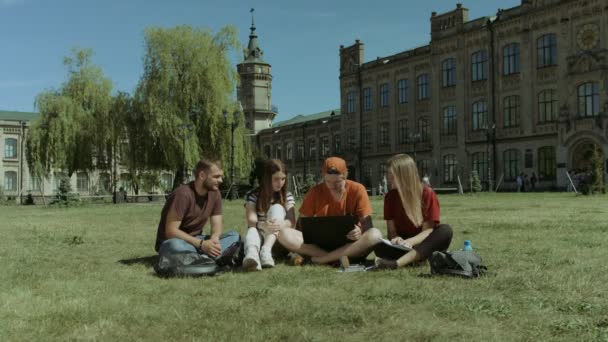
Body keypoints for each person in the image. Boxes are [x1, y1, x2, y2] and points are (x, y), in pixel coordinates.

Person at [277, 157, 382, 265]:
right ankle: (336, 259)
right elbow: (301, 225)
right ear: (324, 177)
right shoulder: (315, 192)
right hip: (321, 246)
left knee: (375, 234)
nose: (332, 186)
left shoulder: (358, 190)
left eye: (337, 182)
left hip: (350, 245)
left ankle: (321, 260)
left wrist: (359, 231)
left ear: (345, 177)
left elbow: (368, 226)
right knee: (284, 234)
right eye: (328, 181)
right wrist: (313, 233)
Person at [374, 154, 453, 269]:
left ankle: (397, 264)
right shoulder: (390, 197)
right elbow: (391, 231)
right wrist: (396, 238)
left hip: (423, 243)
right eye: (387, 174)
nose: (388, 178)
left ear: (404, 175)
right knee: (378, 246)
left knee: (445, 230)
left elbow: (428, 231)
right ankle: (417, 259)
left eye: (392, 175)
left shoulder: (426, 193)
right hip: (403, 246)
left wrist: (410, 242)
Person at [154, 159, 240, 260]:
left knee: (234, 236)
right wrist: (201, 244)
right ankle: (207, 257)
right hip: (175, 242)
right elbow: (171, 232)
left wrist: (214, 240)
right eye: (216, 176)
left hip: (198, 241)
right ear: (202, 175)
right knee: (174, 246)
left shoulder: (215, 193)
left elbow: (217, 225)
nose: (221, 180)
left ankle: (201, 258)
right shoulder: (182, 194)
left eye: (221, 176)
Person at [242, 159, 296, 271]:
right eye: (276, 179)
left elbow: (291, 221)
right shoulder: (254, 196)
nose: (280, 183)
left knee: (277, 208)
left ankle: (266, 251)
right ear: (267, 178)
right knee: (252, 230)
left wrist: (281, 224)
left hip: (277, 241)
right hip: (259, 236)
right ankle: (252, 257)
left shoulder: (286, 196)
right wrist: (263, 225)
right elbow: (251, 220)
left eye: (283, 179)